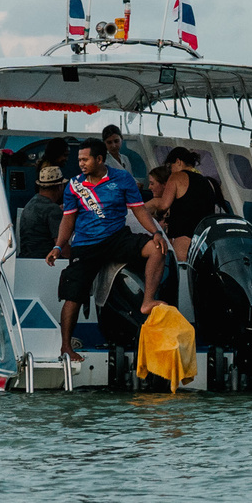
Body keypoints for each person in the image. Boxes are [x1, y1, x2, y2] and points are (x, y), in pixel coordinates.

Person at [48, 138, 162, 365]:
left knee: (156, 249)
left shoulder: (122, 179)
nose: (80, 163)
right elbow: (67, 220)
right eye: (79, 159)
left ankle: (147, 301)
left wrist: (155, 232)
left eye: (85, 159)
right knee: (73, 296)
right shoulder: (74, 185)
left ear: (99, 159)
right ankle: (66, 346)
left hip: (116, 238)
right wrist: (58, 246)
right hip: (86, 244)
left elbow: (139, 210)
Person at [140, 149, 221, 306]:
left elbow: (163, 205)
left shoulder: (177, 177)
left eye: (170, 166)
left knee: (181, 283)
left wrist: (154, 210)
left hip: (182, 239)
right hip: (203, 241)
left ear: (178, 162)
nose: (170, 171)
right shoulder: (208, 182)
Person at [18, 163, 65, 255]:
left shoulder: (30, 204)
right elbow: (62, 248)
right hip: (47, 261)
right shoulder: (53, 210)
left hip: (26, 258)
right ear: (60, 187)